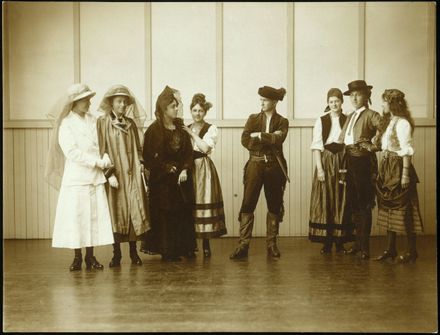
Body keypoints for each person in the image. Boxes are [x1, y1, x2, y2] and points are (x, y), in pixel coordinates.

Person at [45, 83, 114, 271]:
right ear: (74, 102)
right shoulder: (66, 123)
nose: (89, 103)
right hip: (77, 177)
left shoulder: (94, 120)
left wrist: (105, 155)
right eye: (85, 100)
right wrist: (96, 162)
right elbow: (71, 152)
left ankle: (90, 257)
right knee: (77, 217)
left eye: (89, 100)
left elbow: (103, 142)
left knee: (92, 216)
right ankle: (77, 257)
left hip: (94, 176)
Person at [230, 86, 289, 259]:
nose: (261, 103)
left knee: (274, 204)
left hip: (274, 167)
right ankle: (243, 245)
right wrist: (266, 138)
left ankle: (272, 245)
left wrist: (260, 136)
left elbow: (279, 138)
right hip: (254, 166)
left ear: (274, 102)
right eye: (260, 100)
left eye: (265, 100)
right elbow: (245, 139)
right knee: (248, 203)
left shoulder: (282, 121)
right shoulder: (253, 118)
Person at [96, 85, 150, 267]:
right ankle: (116, 254)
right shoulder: (103, 123)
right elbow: (100, 150)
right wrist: (108, 173)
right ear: (111, 102)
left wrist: (141, 164)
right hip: (115, 176)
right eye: (119, 101)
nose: (122, 104)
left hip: (132, 174)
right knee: (116, 212)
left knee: (134, 209)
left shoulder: (131, 124)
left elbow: (138, 148)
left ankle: (133, 253)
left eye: (125, 102)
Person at [142, 85, 197, 261]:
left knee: (182, 213)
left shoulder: (181, 129)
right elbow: (148, 157)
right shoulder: (153, 130)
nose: (176, 109)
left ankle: (184, 247)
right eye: (173, 106)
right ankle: (167, 249)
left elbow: (189, 153)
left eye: (177, 105)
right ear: (164, 109)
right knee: (165, 214)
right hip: (162, 182)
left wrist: (185, 169)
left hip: (181, 180)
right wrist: (165, 168)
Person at [338, 80, 389, 260]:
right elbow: (343, 139)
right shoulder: (351, 116)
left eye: (357, 94)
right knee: (353, 203)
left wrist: (372, 145)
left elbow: (385, 129)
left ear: (366, 96)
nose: (353, 98)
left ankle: (365, 247)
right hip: (349, 160)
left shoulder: (372, 114)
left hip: (363, 163)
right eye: (351, 95)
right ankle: (358, 244)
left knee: (364, 203)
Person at [374, 89, 423, 263]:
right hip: (387, 168)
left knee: (406, 209)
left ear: (392, 104)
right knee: (389, 209)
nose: (382, 105)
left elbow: (406, 151)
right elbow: (383, 146)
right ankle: (391, 249)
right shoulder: (389, 122)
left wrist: (404, 175)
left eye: (384, 102)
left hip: (399, 168)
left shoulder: (403, 123)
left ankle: (412, 251)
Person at [308, 88, 354, 254]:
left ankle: (340, 241)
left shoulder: (348, 119)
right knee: (326, 198)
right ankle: (326, 242)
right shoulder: (321, 120)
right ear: (328, 103)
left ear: (342, 102)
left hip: (343, 160)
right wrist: (320, 169)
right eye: (331, 101)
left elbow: (350, 142)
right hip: (326, 161)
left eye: (337, 101)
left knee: (341, 198)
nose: (334, 104)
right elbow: (316, 147)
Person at [182, 93, 227, 257]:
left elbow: (205, 148)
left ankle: (206, 244)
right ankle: (190, 245)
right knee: (189, 203)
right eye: (194, 110)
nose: (197, 114)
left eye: (200, 111)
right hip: (187, 168)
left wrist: (192, 133)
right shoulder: (184, 128)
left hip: (202, 168)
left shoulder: (210, 128)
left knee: (203, 199)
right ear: (190, 111)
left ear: (205, 112)